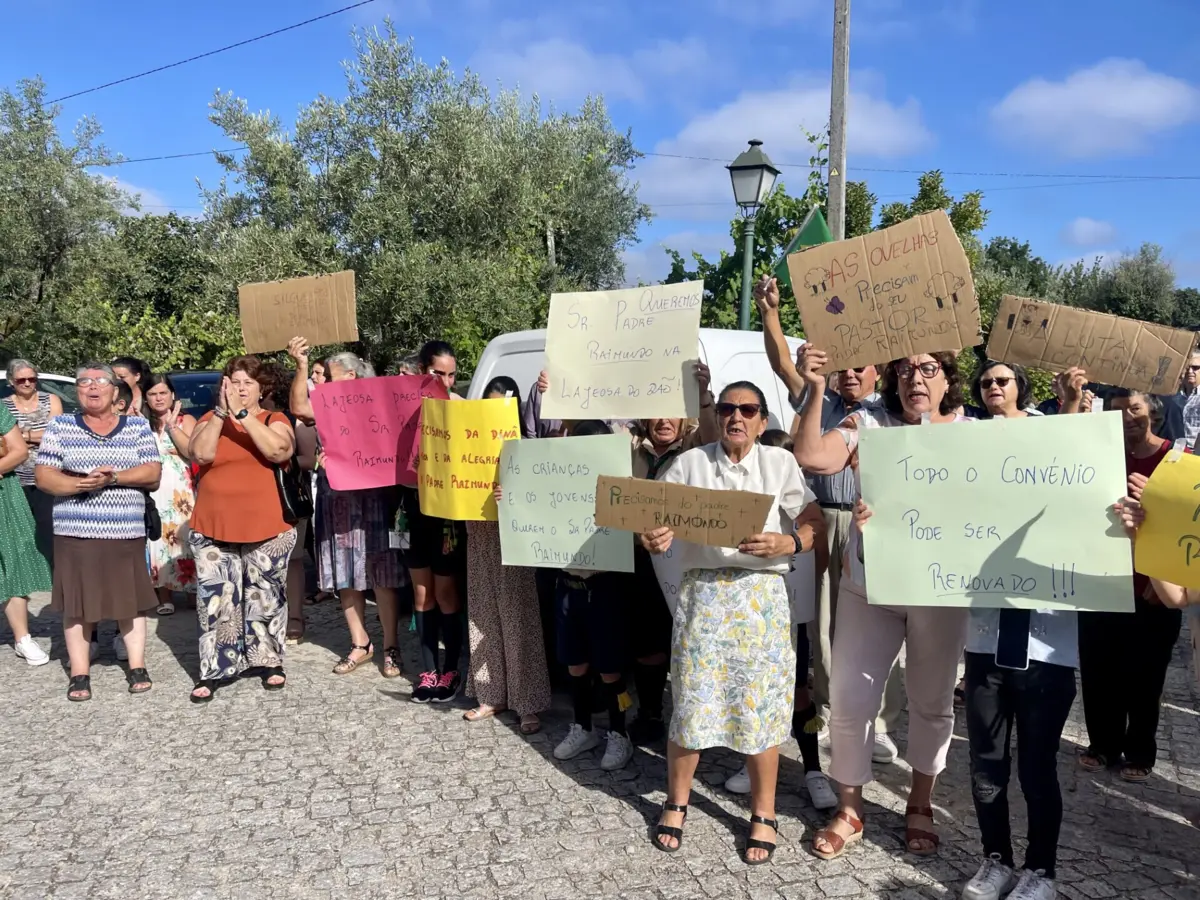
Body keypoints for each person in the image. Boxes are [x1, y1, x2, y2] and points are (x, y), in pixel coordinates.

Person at [793, 348, 984, 860]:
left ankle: (919, 803)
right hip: (868, 587)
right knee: (852, 704)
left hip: (938, 592)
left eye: (928, 369)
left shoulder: (974, 434)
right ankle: (849, 809)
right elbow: (812, 457)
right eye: (904, 370)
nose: (914, 379)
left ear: (947, 379)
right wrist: (814, 388)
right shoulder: (867, 422)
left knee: (931, 702)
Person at [643, 381, 825, 865]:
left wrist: (792, 544)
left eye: (748, 409)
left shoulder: (779, 463)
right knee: (691, 700)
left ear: (763, 421)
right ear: (717, 416)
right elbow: (656, 521)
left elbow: (812, 518)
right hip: (703, 594)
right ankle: (677, 802)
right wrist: (655, 537)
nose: (736, 417)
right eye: (727, 408)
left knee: (760, 705)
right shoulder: (690, 463)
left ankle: (763, 812)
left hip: (760, 598)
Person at [755, 275, 903, 764]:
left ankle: (879, 724)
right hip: (823, 522)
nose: (850, 376)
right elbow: (781, 363)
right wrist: (771, 312)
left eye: (859, 369)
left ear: (878, 371)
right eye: (843, 370)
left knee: (879, 624)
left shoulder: (891, 415)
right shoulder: (820, 402)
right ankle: (825, 713)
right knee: (820, 626)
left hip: (870, 526)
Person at [725, 426, 838, 811]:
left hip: (791, 610)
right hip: (749, 613)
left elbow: (818, 561)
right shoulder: (741, 505)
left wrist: (794, 554)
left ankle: (812, 768)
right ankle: (750, 761)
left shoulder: (801, 512)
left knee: (796, 689)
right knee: (750, 686)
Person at [35, 363, 161, 701]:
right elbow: (44, 476)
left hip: (126, 529)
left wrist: (113, 478)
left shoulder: (136, 426)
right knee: (77, 603)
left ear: (114, 390)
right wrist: (81, 484)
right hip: (75, 530)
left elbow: (152, 473)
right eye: (84, 383)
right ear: (77, 390)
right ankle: (79, 672)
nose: (92, 388)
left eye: (100, 382)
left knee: (130, 601)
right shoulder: (60, 426)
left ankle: (137, 665)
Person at [1077, 389, 1184, 783]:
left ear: (1152, 411)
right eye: (1118, 410)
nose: (1127, 417)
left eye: (1134, 409)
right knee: (1097, 667)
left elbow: (1191, 528)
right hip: (1100, 582)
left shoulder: (1179, 461)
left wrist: (1173, 582)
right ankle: (1101, 744)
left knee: (1145, 676)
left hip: (1153, 589)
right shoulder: (1098, 458)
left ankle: (1140, 751)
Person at [288, 340, 406, 679]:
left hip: (375, 499)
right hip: (337, 499)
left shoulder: (379, 403)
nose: (321, 384)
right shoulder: (325, 405)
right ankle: (360, 642)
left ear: (351, 375)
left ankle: (391, 646)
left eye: (329, 376)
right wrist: (299, 365)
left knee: (382, 573)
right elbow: (298, 408)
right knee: (344, 572)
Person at [187, 356, 297, 701]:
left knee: (264, 595)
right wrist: (222, 414)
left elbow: (278, 450)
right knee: (217, 599)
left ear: (262, 389)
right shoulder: (209, 419)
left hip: (267, 524)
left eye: (248, 382)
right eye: (234, 381)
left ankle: (268, 661)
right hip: (213, 524)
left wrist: (244, 415)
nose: (240, 388)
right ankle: (217, 667)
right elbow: (200, 455)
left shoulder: (274, 419)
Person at [625, 362, 719, 744]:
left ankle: (698, 720)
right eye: (656, 412)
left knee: (694, 644)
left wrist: (705, 395)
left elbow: (715, 436)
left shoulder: (698, 447)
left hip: (691, 563)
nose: (664, 420)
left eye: (673, 413)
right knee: (649, 645)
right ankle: (649, 713)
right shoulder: (628, 447)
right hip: (643, 563)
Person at [462, 375, 550, 735]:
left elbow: (544, 489)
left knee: (518, 619)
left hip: (514, 536)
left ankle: (526, 703)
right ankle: (490, 694)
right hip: (478, 532)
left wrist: (514, 493)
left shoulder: (525, 444)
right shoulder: (468, 436)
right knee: (482, 615)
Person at [401, 340, 467, 702]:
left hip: (445, 512)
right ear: (422, 371)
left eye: (451, 374)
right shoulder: (403, 408)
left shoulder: (460, 408)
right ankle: (428, 671)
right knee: (422, 594)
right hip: (411, 508)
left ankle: (452, 669)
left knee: (445, 593)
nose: (445, 381)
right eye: (437, 373)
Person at [2, 359, 60, 665]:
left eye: (32, 378)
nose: (28, 383)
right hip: (17, 484)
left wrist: (22, 438)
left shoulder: (50, 400)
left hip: (37, 482)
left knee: (31, 551)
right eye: (22, 380)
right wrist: (32, 435)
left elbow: (25, 448)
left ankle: (27, 633)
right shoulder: (5, 406)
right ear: (12, 382)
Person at [143, 374, 197, 615]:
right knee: (158, 540)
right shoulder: (141, 423)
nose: (158, 398)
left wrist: (173, 426)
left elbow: (191, 452)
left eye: (163, 393)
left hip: (183, 491)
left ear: (172, 395)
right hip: (154, 491)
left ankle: (194, 592)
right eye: (153, 394)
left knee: (186, 538)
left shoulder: (187, 420)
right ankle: (164, 594)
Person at [967, 361, 1044, 420]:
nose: (993, 386)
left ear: (1019, 384)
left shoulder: (1039, 423)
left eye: (1002, 381)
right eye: (986, 383)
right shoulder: (970, 420)